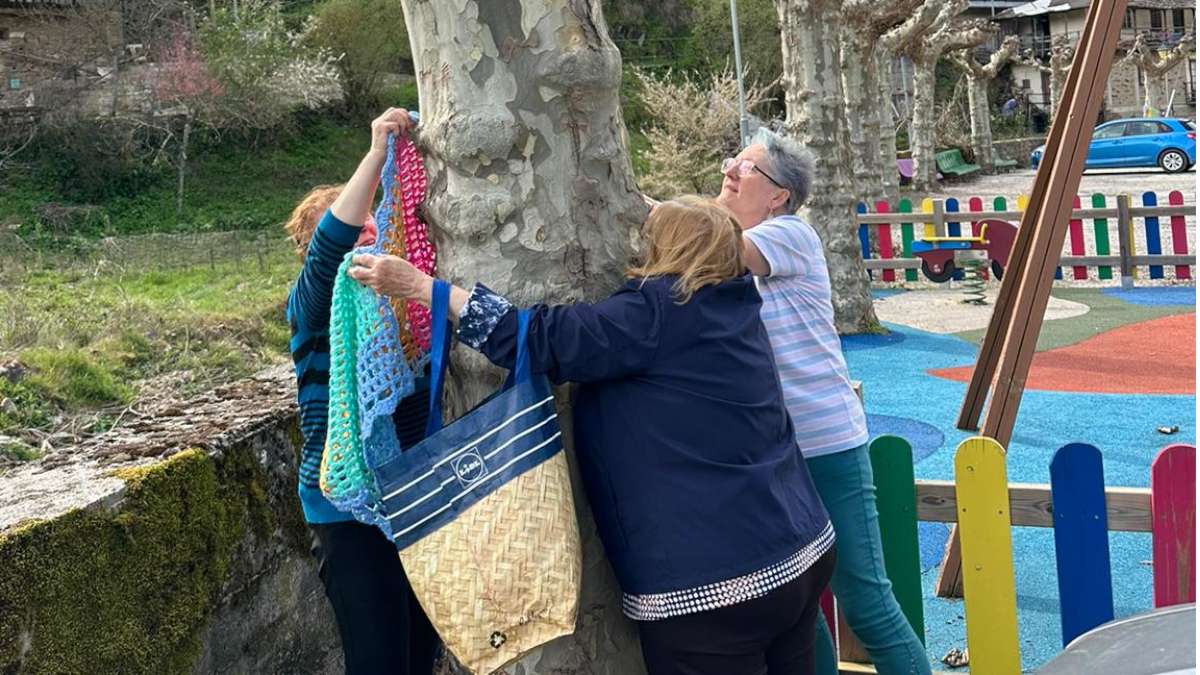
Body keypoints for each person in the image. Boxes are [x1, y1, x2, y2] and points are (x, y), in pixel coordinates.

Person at [348, 196, 837, 675]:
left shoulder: (658, 313)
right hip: (801, 548)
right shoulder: (737, 302)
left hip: (719, 585)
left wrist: (422, 287)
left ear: (671, 252)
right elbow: (696, 227)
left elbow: (534, 337)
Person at [715, 128, 931, 675]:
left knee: (866, 601)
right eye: (730, 164)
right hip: (769, 451)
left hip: (823, 444)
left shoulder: (789, 235)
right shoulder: (731, 250)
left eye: (744, 168)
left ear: (778, 195)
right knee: (795, 607)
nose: (730, 173)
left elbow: (715, 244)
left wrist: (640, 206)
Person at [284, 106, 440, 674]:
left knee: (421, 653)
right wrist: (376, 153)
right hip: (344, 503)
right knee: (378, 660)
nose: (369, 233)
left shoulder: (406, 314)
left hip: (414, 494)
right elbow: (332, 249)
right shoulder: (310, 305)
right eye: (357, 227)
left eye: (376, 225)